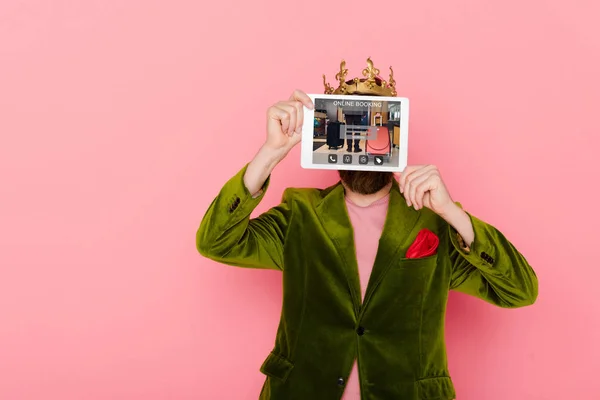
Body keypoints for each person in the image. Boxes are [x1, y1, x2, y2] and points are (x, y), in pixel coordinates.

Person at [196, 59, 538, 400]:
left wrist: (453, 213)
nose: (361, 141)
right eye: (347, 129)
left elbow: (520, 291)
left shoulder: (434, 221)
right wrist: (269, 154)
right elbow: (215, 242)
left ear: (393, 135)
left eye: (374, 128)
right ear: (327, 135)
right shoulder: (299, 214)